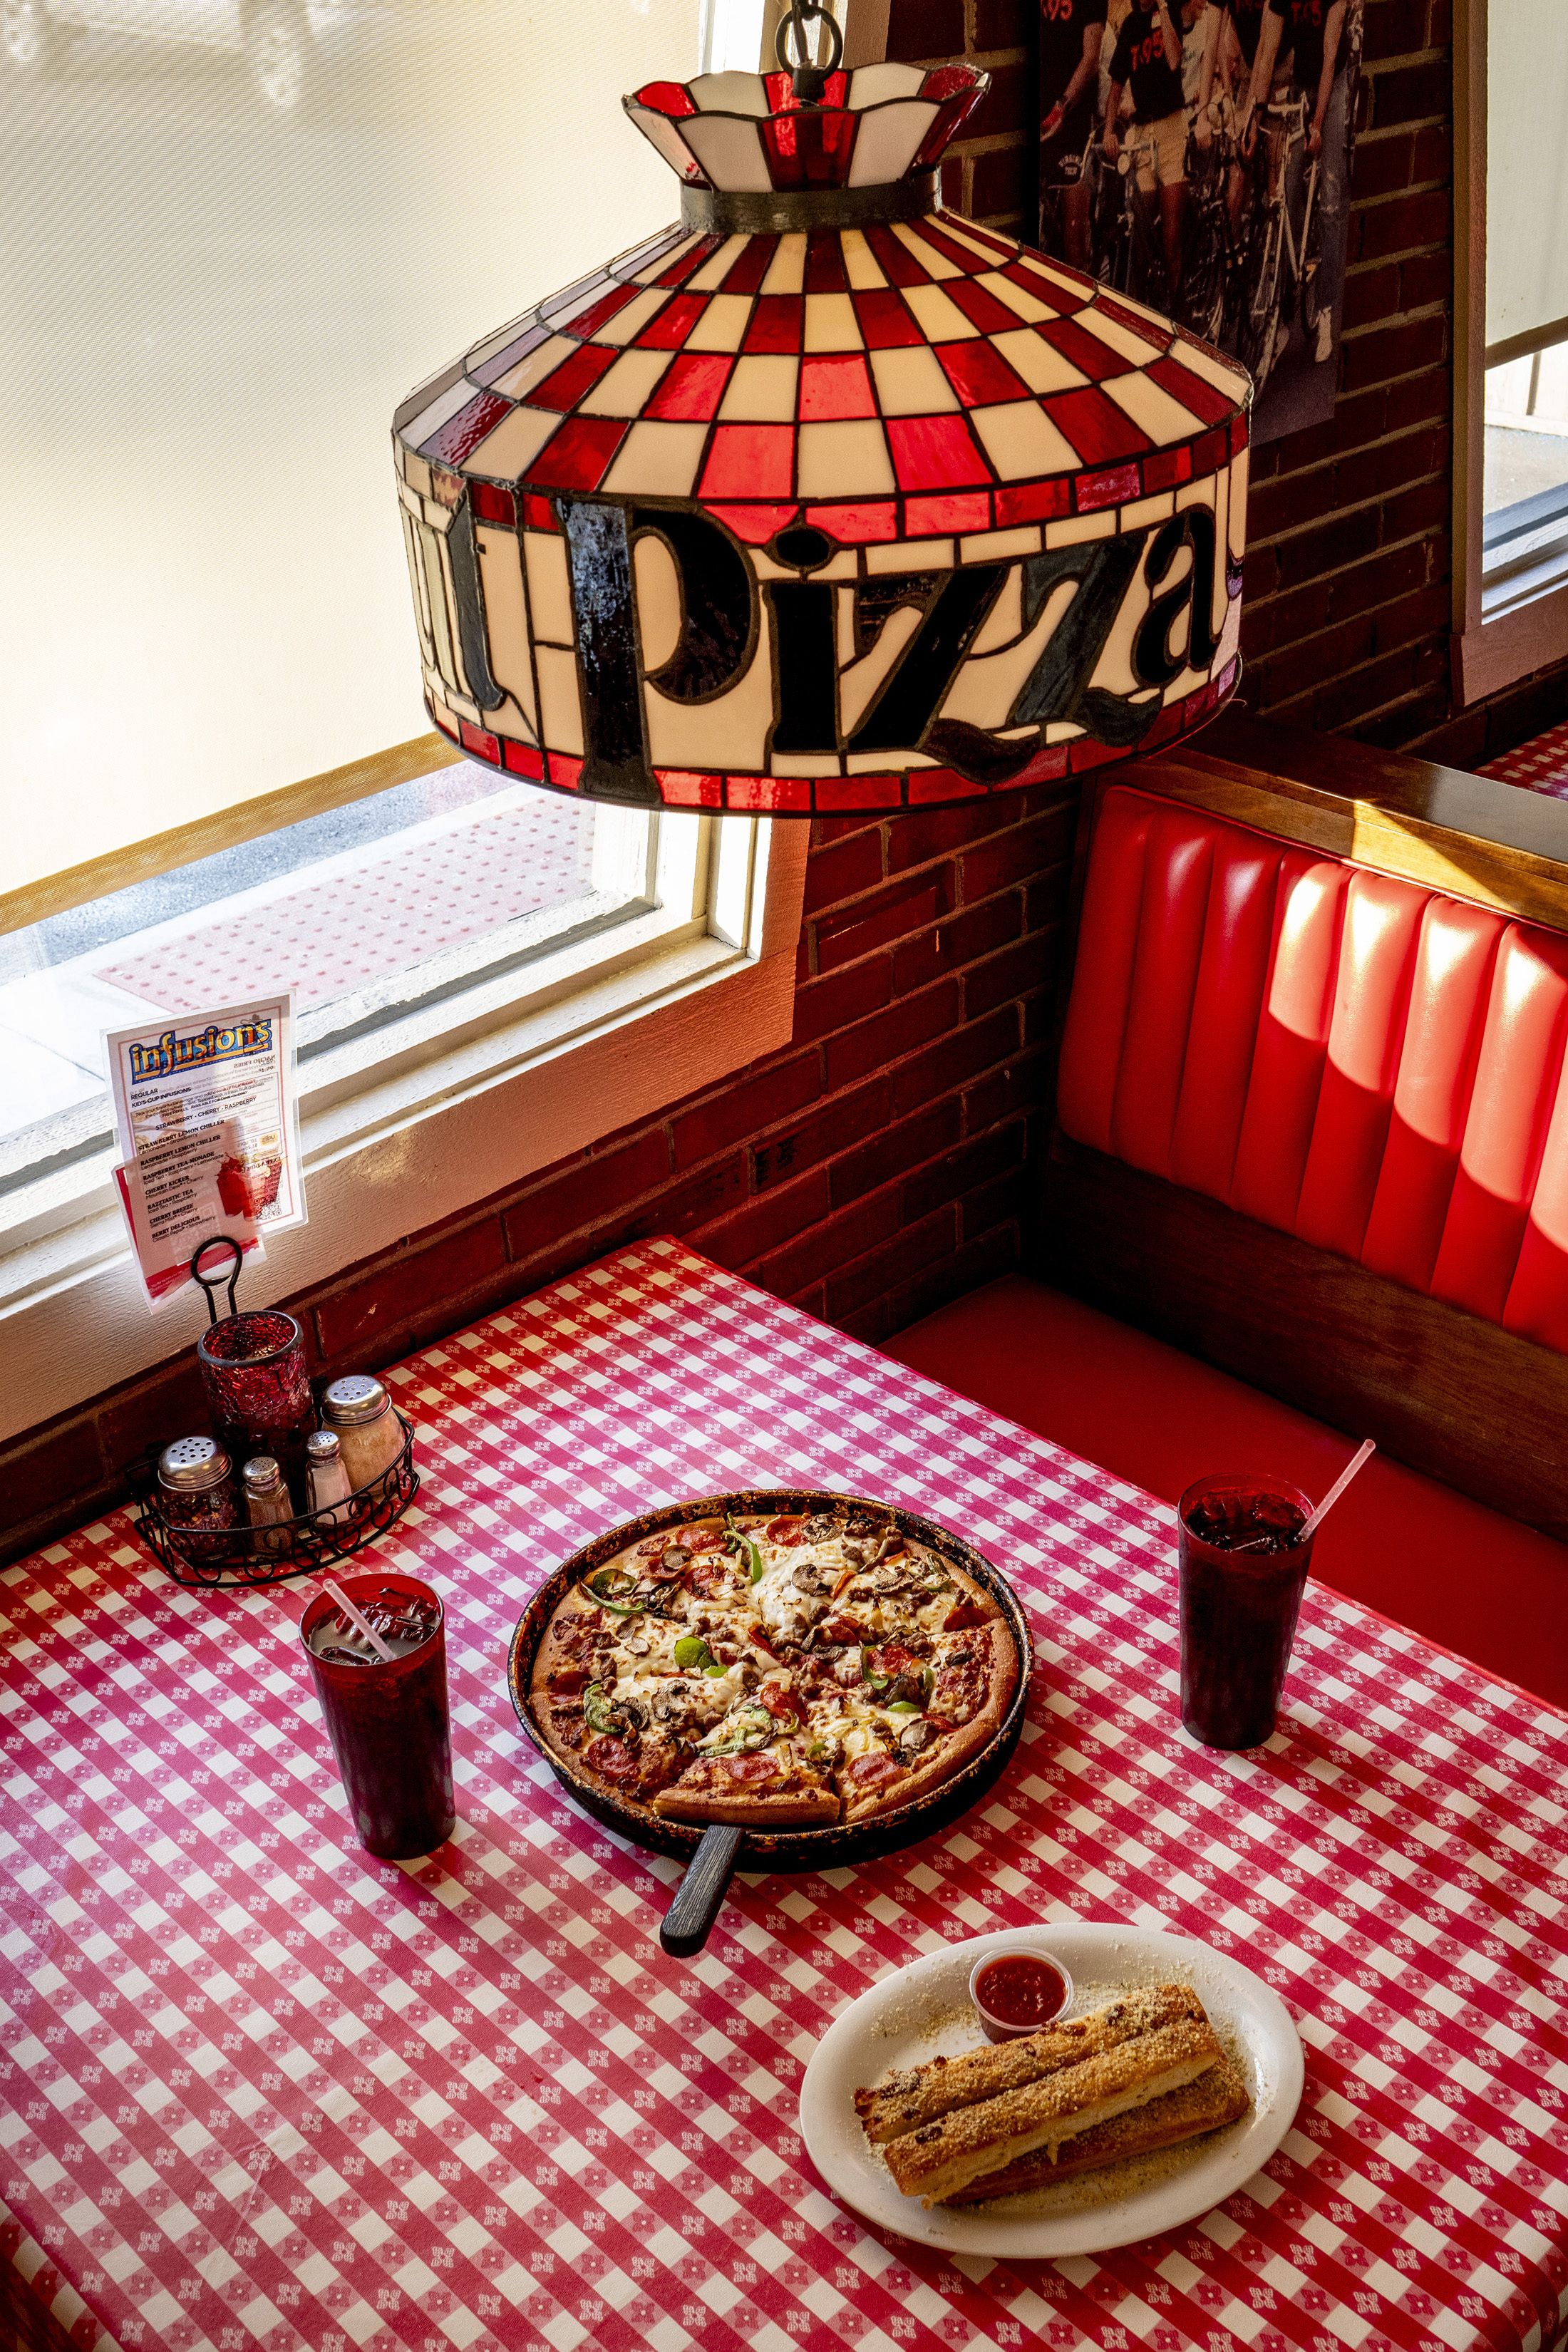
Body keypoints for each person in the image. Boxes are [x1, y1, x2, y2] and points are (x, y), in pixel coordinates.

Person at [1248, 0, 1349, 361]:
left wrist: (1318, 126)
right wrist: (1252, 117)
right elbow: (1267, 51)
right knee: (1284, 194)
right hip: (1298, 85)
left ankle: (1324, 309)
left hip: (1331, 85)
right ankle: (1283, 320)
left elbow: (1328, 59)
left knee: (1331, 200)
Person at [1103, 0, 1190, 304]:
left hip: (1171, 129)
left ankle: (1178, 309)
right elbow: (1116, 84)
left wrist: (1164, 9)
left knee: (1170, 239)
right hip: (1142, 133)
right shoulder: (1130, 26)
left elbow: (1174, 60)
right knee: (1140, 232)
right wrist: (1109, 129)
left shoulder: (1171, 14)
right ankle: (1142, 309)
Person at [1038, 0, 1110, 272]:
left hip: (1073, 123)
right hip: (1042, 110)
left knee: (1075, 249)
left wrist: (1060, 109)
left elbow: (1091, 59)